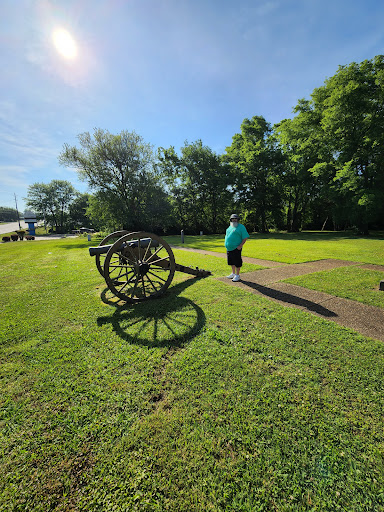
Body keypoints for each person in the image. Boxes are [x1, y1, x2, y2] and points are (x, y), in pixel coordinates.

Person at [224, 214, 249, 282]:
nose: (234, 220)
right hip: (229, 248)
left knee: (237, 261)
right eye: (233, 219)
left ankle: (237, 275)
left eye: (236, 219)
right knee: (231, 262)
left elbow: (245, 237)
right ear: (230, 220)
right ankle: (233, 273)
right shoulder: (229, 227)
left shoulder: (241, 227)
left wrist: (240, 246)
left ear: (238, 220)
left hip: (236, 248)